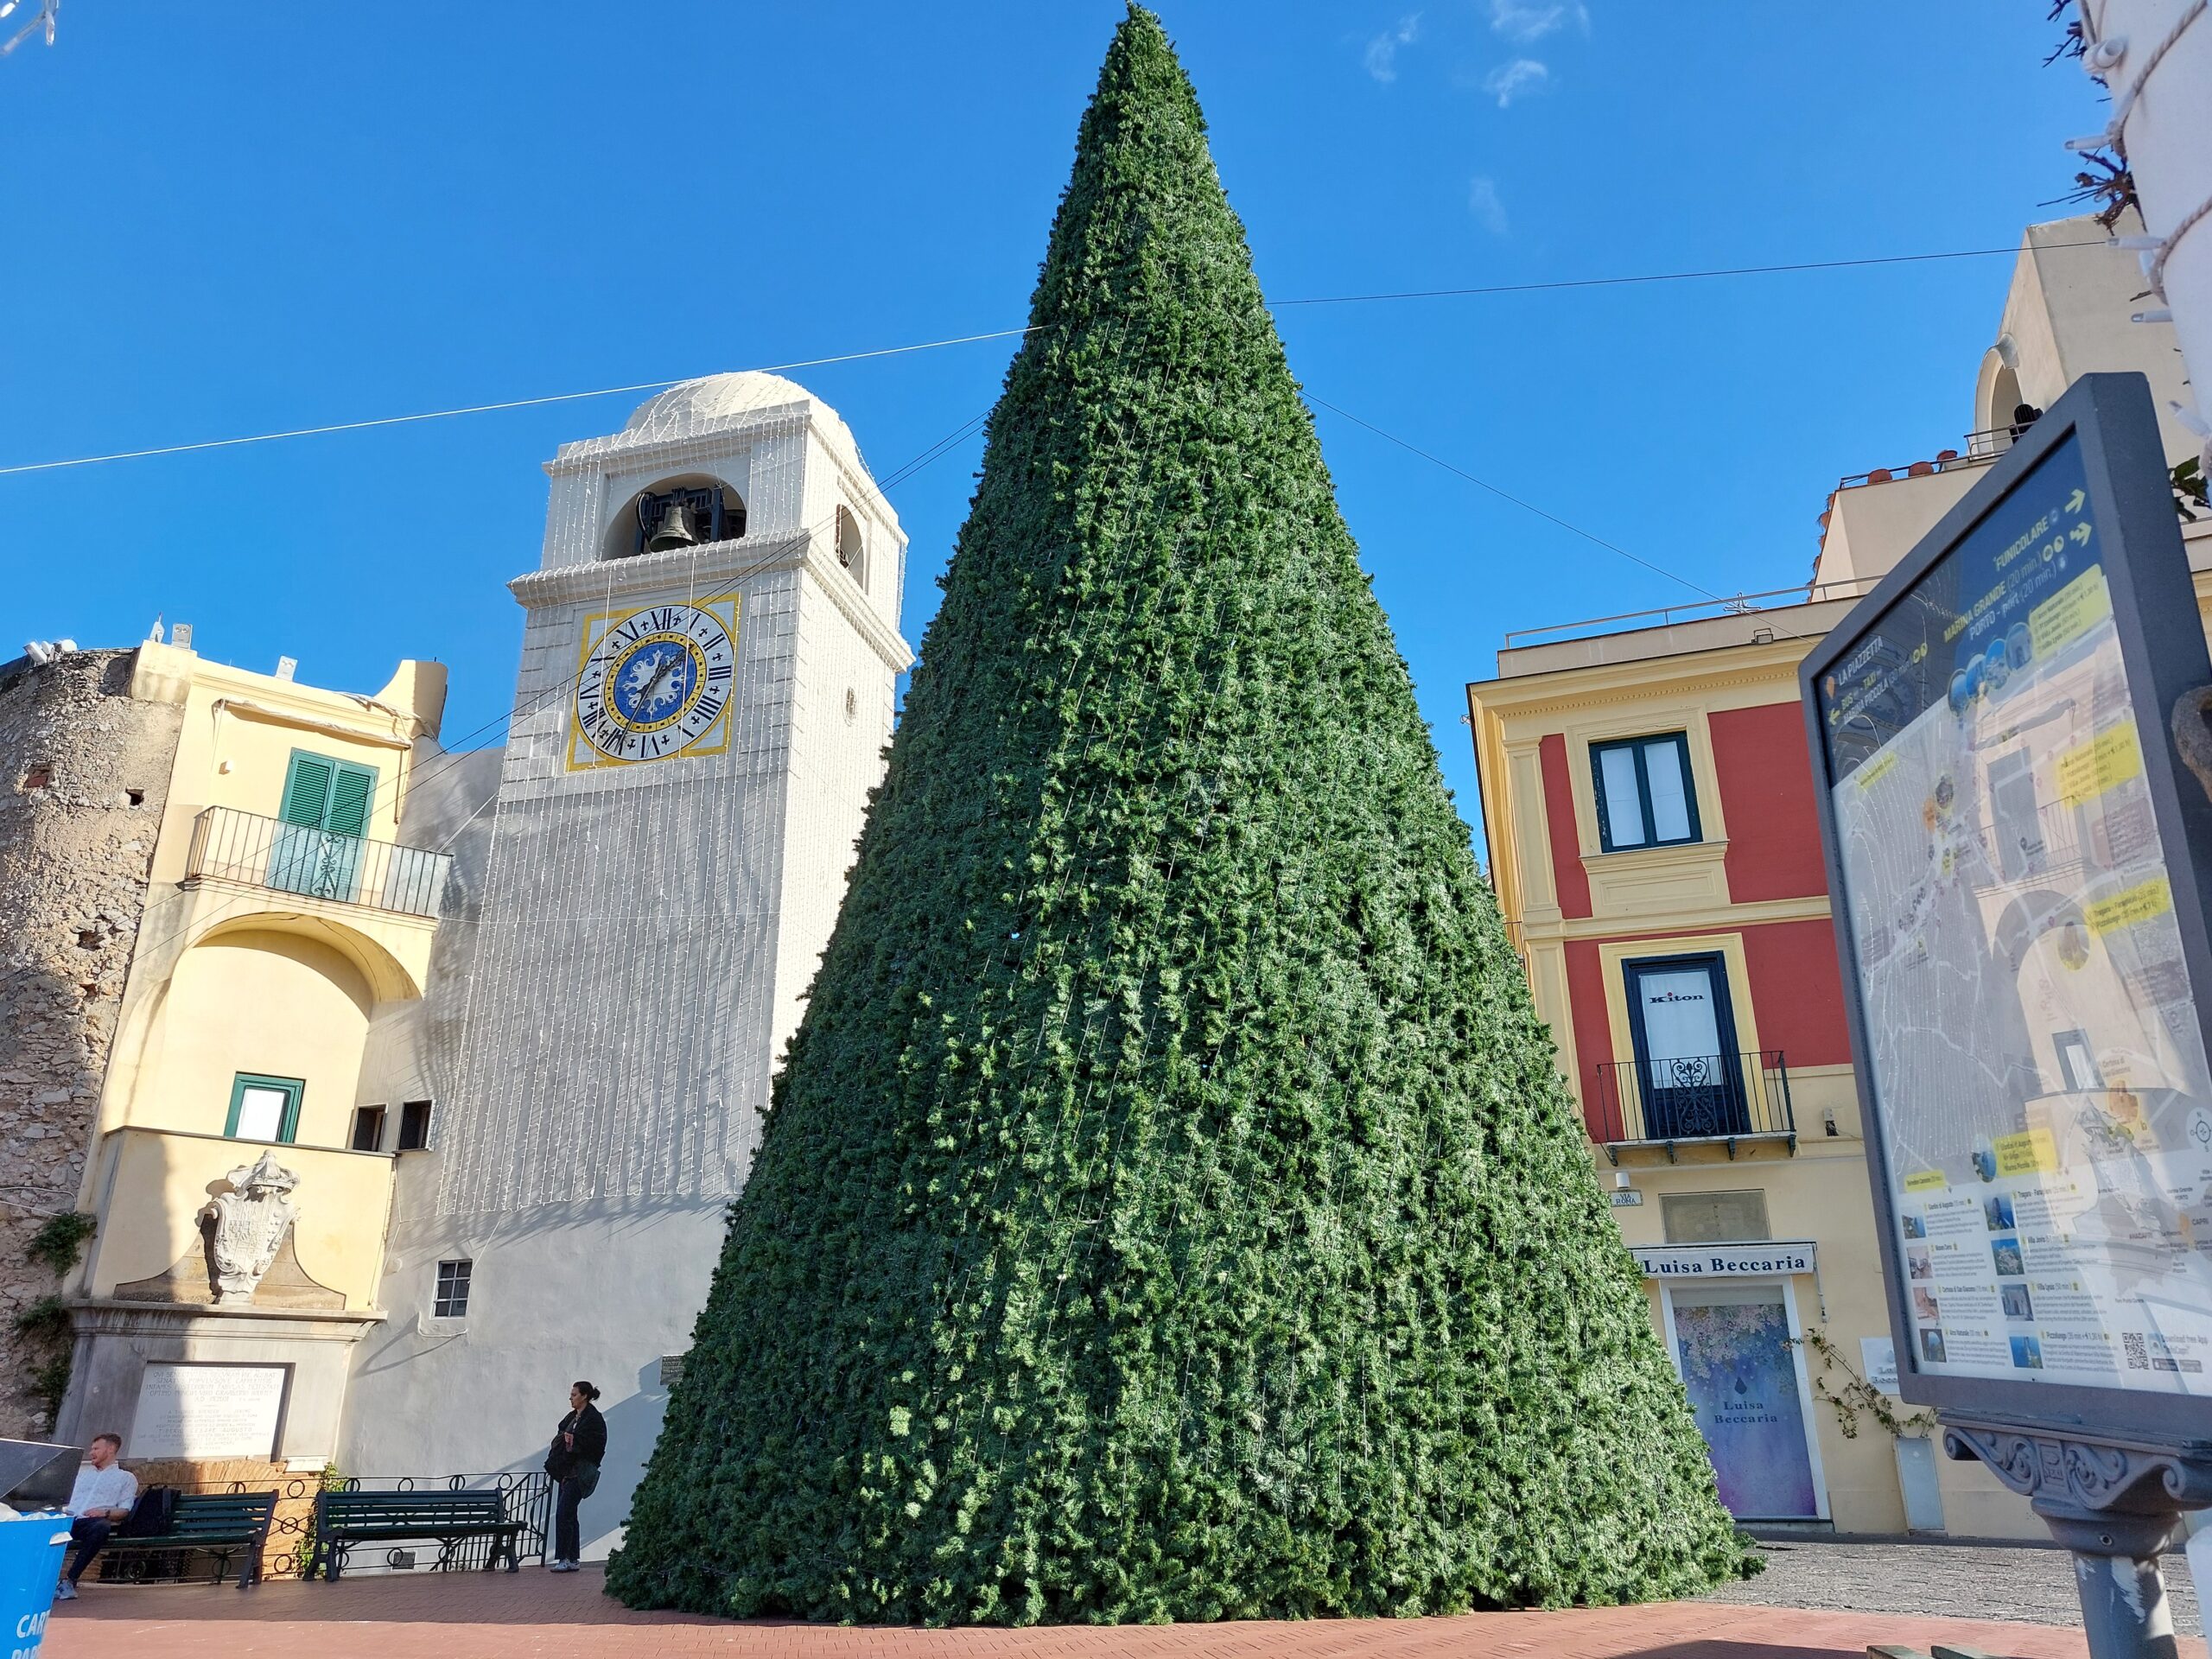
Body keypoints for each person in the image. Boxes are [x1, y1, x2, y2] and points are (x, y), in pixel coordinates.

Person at [56, 1433, 137, 1600]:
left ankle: (70, 1581)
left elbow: (124, 1510)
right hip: (69, 1519)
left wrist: (105, 1513)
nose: (91, 1453)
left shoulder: (125, 1478)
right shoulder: (83, 1475)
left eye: (96, 1449)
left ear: (111, 1449)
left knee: (101, 1527)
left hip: (92, 1523)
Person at [543, 1380, 605, 1572]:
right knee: (569, 1513)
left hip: (581, 1472)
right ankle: (573, 1558)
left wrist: (575, 1440)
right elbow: (562, 1434)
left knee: (563, 1512)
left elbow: (595, 1444)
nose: (571, 1398)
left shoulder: (593, 1419)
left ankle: (563, 1558)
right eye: (571, 1395)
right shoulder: (572, 1417)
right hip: (567, 1471)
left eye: (574, 1395)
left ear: (584, 1396)